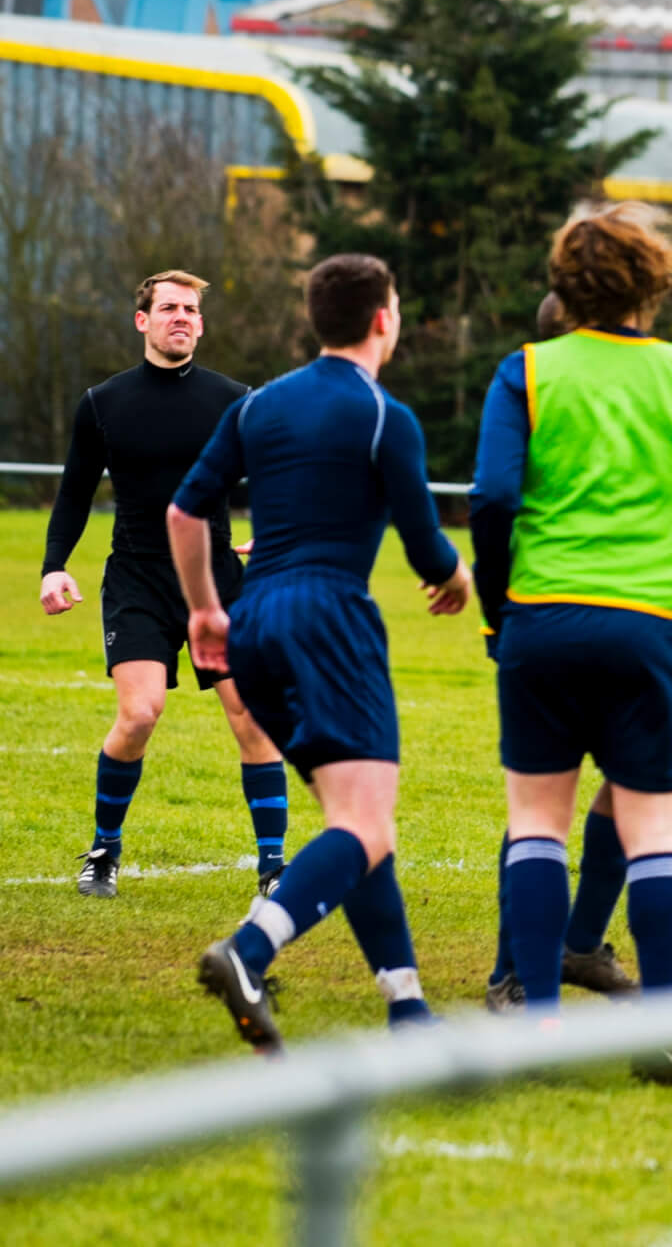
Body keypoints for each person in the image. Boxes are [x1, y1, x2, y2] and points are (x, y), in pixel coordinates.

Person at [471, 204, 672, 1087]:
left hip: (541, 620)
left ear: (565, 284)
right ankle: (667, 1038)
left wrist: (496, 608)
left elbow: (491, 500)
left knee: (537, 826)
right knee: (656, 835)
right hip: (652, 626)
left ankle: (540, 1029)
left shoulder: (527, 372)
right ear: (653, 279)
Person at [170, 254, 472, 1050]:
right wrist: (458, 578)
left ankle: (407, 1008)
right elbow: (424, 546)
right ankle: (249, 948)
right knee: (365, 826)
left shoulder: (259, 406)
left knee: (357, 822)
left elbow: (184, 512)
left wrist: (206, 610)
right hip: (329, 617)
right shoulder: (383, 416)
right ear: (384, 319)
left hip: (254, 619)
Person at [39, 271, 289, 900]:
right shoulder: (103, 402)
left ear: (202, 325)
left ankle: (272, 868)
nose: (182, 317)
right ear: (142, 320)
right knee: (140, 712)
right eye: (170, 307)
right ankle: (103, 850)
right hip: (139, 579)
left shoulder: (237, 400)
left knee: (251, 718)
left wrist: (278, 530)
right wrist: (54, 565)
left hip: (218, 579)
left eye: (192, 310)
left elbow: (278, 474)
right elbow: (72, 494)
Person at [478, 291, 640, 1013]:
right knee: (541, 804)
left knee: (622, 787)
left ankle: (574, 945)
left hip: (621, 613)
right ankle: (514, 972)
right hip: (556, 611)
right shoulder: (540, 387)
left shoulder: (627, 388)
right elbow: (495, 499)